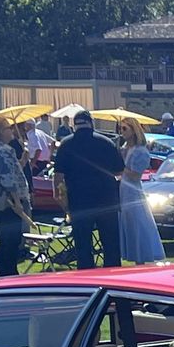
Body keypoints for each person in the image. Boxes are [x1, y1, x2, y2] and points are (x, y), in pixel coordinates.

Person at [51, 109, 125, 269]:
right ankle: (112, 274)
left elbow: (58, 175)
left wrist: (59, 196)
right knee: (110, 242)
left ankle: (86, 274)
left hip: (79, 199)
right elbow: (120, 171)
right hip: (106, 199)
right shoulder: (107, 142)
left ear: (74, 125)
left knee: (82, 243)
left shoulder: (66, 144)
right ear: (91, 123)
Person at [0, 117, 33, 277]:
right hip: (10, 201)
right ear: (1, 132)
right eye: (8, 128)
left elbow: (12, 171)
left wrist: (22, 161)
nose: (12, 130)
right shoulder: (3, 150)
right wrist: (17, 202)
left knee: (9, 236)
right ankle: (7, 270)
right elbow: (8, 178)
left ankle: (5, 269)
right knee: (12, 238)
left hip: (7, 199)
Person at [116, 118, 165, 265]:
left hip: (133, 190)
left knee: (138, 223)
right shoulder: (126, 149)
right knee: (128, 224)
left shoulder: (140, 151)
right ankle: (133, 254)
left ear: (133, 130)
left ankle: (143, 255)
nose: (122, 132)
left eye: (125, 129)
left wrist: (120, 166)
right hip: (123, 190)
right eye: (121, 129)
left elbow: (135, 174)